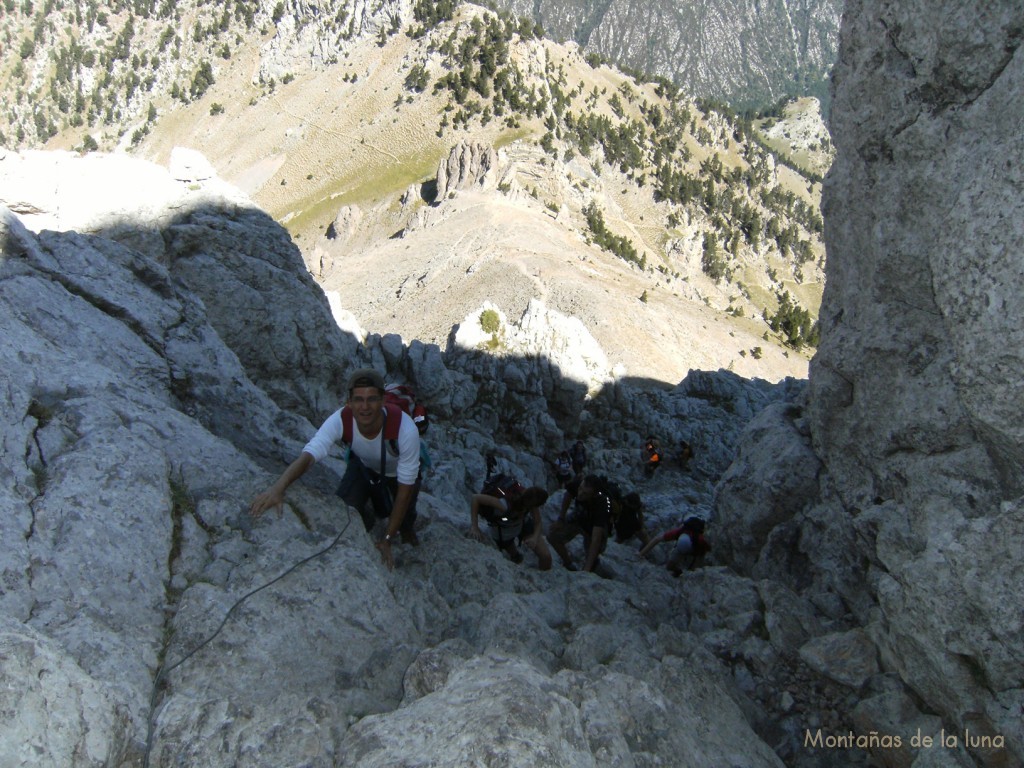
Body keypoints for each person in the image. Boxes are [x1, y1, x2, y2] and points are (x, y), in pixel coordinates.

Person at [249, 368, 420, 570]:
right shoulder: (341, 419)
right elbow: (311, 453)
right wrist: (278, 488)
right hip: (363, 466)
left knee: (405, 511)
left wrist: (388, 538)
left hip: (397, 472)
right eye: (358, 399)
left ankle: (407, 530)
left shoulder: (405, 429)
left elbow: (404, 489)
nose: (365, 407)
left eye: (372, 399)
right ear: (348, 402)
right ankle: (367, 520)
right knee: (346, 508)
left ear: (383, 401)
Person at [468, 484, 553, 570]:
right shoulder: (504, 504)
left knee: (546, 557)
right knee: (516, 557)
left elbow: (538, 521)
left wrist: (534, 538)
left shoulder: (530, 498)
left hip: (521, 524)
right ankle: (515, 555)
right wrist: (475, 527)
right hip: (504, 532)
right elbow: (476, 498)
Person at [547, 474, 614, 572]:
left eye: (585, 493)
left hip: (593, 526)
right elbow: (568, 494)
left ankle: (592, 566)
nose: (580, 494)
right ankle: (568, 563)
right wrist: (561, 519)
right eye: (580, 489)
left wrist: (586, 569)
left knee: (593, 555)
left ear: (594, 495)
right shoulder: (579, 484)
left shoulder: (602, 504)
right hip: (579, 517)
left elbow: (596, 538)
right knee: (552, 536)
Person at [638, 516, 710, 575]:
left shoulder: (700, 540)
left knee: (694, 570)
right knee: (669, 567)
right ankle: (678, 572)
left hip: (697, 550)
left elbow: (706, 550)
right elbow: (656, 539)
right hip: (683, 547)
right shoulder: (679, 532)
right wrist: (640, 554)